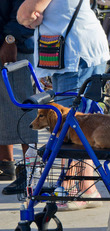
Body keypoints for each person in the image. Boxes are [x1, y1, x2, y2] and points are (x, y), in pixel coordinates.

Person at [17, 0, 110, 210]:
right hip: (80, 52)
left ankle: (71, 189)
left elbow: (25, 13)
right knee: (82, 124)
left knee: (69, 127)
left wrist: (31, 17)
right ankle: (86, 188)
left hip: (74, 55)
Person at [0, 0, 38, 194]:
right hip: (6, 40)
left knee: (22, 108)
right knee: (4, 107)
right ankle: (5, 165)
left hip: (14, 45)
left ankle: (30, 172)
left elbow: (25, 10)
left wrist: (10, 39)